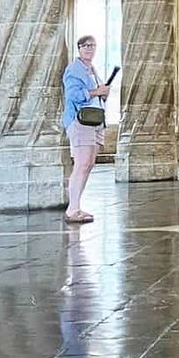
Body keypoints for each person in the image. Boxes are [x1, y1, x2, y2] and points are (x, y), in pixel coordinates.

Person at [62, 35, 109, 224]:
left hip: (95, 120)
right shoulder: (74, 69)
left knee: (89, 164)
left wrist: (103, 94)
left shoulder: (92, 70)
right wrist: (97, 92)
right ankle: (72, 209)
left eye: (92, 45)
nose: (89, 48)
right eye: (85, 45)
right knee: (81, 164)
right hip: (81, 120)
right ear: (79, 48)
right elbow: (73, 94)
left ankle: (76, 206)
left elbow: (96, 94)